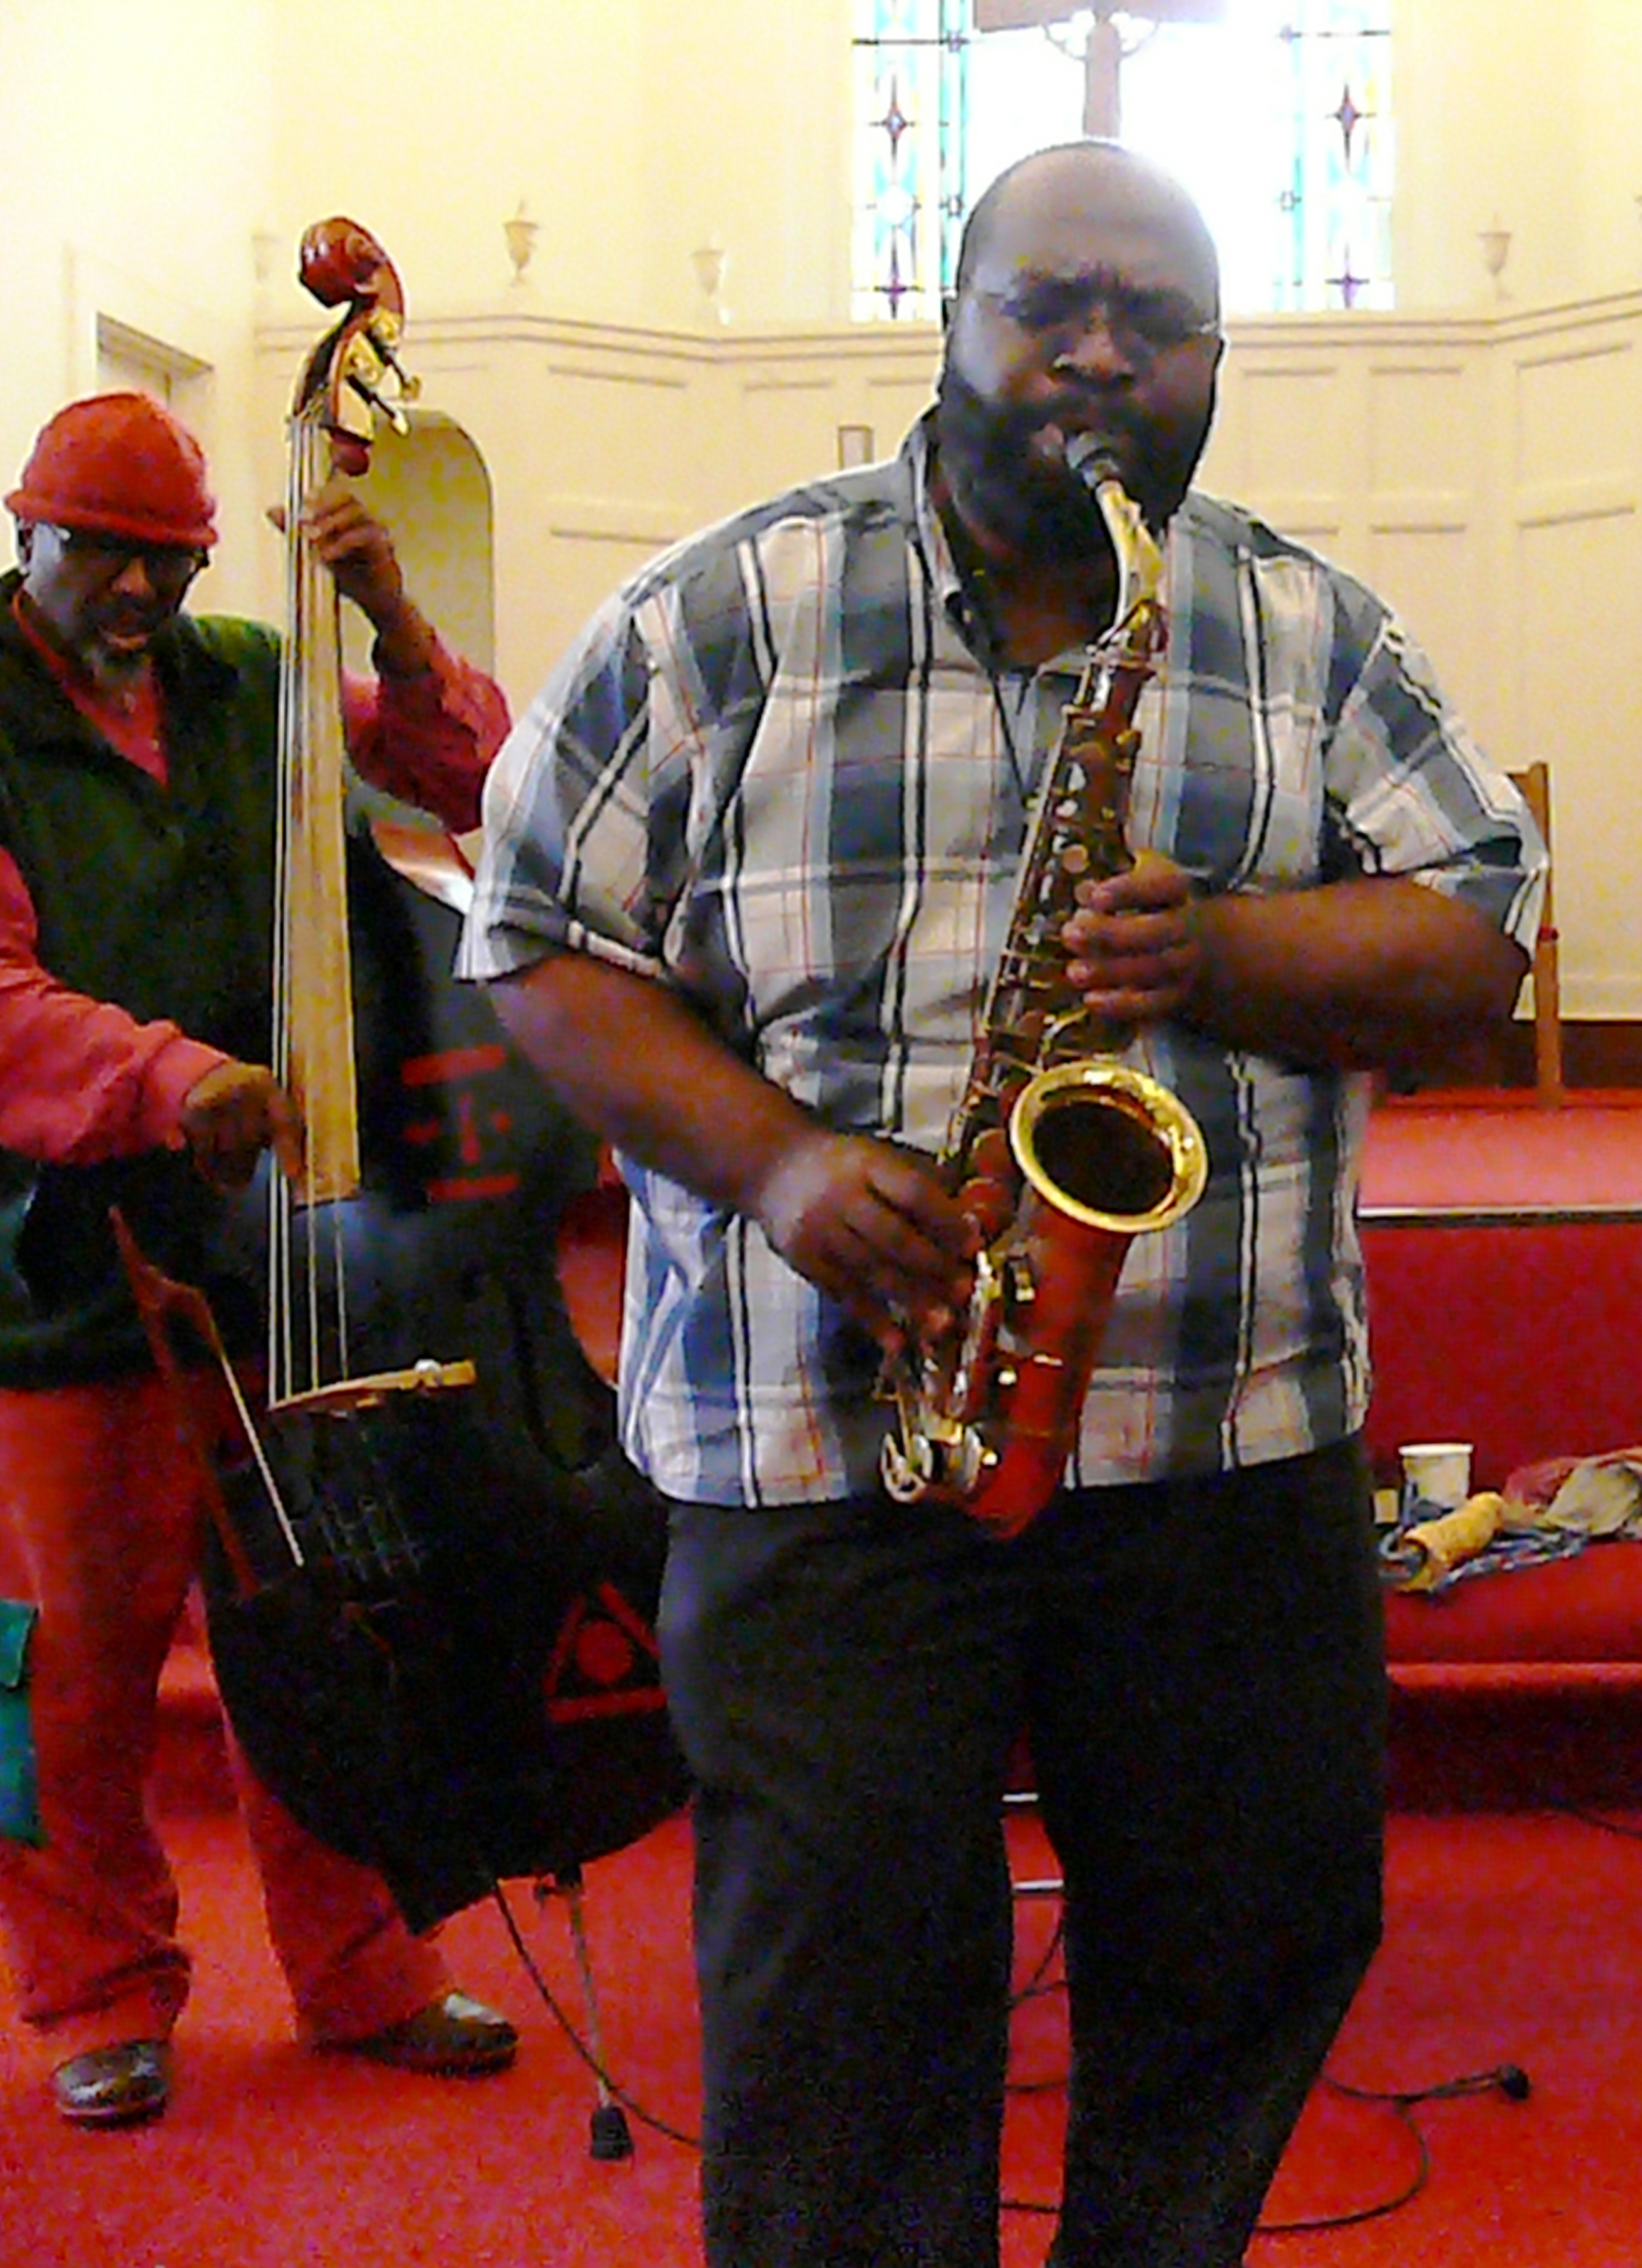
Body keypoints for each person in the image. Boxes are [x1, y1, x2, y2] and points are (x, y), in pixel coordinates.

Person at [459, 141, 1543, 2268]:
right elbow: (532, 935)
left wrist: (1222, 951)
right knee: (835, 2034)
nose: (1102, 356)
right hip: (824, 1444)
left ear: (1217, 361)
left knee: (1251, 1956)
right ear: (949, 318)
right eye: (1051, 305)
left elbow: (1481, 934)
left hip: (1222, 1453)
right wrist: (775, 1162)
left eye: (1159, 323)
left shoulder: (1311, 625)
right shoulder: (721, 609)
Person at [0, 391, 522, 2128]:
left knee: (317, 1609)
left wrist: (388, 614)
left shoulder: (252, 672)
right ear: (29, 537)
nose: (139, 590)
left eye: (172, 557)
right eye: (102, 554)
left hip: (279, 1231)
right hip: (66, 1255)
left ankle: (362, 1965)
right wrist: (169, 1077)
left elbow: (476, 776)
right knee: (79, 1661)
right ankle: (98, 1991)